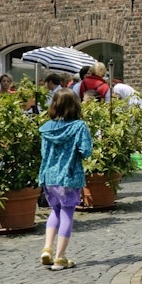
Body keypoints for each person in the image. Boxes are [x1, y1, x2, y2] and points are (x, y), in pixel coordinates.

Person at [37, 89, 93, 271]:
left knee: (55, 211)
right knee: (67, 213)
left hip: (49, 176)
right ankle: (60, 257)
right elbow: (86, 151)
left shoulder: (46, 128)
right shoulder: (78, 126)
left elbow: (44, 153)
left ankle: (47, 248)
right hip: (69, 176)